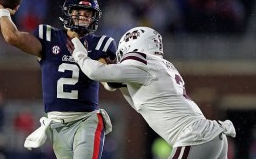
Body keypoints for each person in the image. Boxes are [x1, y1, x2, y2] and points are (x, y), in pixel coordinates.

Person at [67, 26, 236, 159]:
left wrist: (78, 51)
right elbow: (140, 103)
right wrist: (114, 79)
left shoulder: (140, 61)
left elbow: (94, 72)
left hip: (195, 138)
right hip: (213, 138)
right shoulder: (160, 66)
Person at [0, 0, 117, 159]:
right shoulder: (48, 36)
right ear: (68, 13)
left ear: (93, 18)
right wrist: (4, 11)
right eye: (78, 12)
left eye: (87, 13)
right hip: (57, 124)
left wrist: (113, 79)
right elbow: (12, 37)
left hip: (86, 121)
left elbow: (107, 78)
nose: (82, 17)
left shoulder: (100, 44)